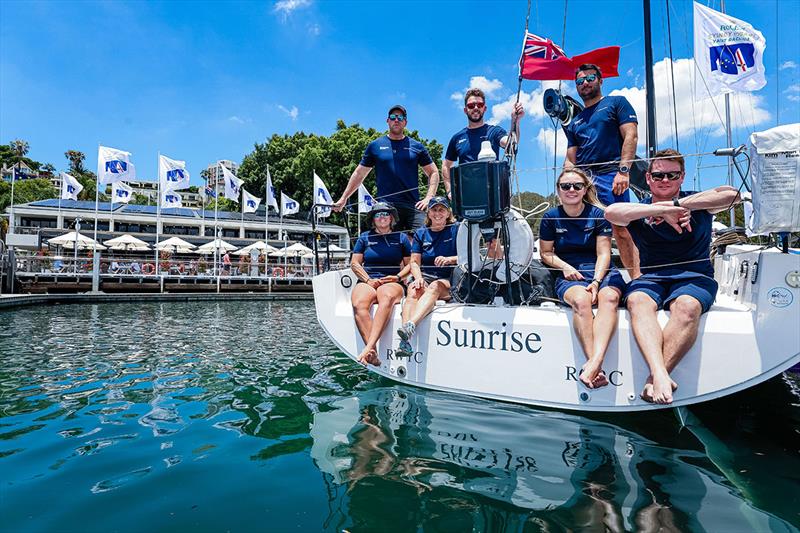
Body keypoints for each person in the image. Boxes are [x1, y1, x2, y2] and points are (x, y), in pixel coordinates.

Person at [605, 148, 741, 404]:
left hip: (695, 276)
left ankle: (653, 380)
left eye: (672, 175)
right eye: (658, 176)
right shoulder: (639, 209)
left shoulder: (697, 203)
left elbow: (732, 195)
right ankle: (660, 375)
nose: (664, 180)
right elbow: (612, 212)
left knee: (688, 307)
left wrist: (678, 205)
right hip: (652, 278)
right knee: (636, 302)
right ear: (648, 179)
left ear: (682, 177)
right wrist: (658, 211)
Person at [539, 169, 627, 388]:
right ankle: (595, 366)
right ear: (558, 190)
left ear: (585, 189)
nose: (571, 190)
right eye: (566, 186)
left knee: (609, 299)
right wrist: (565, 267)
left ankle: (594, 363)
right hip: (569, 272)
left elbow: (604, 253)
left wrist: (597, 282)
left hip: (600, 269)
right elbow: (546, 254)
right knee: (581, 301)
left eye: (577, 186)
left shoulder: (598, 214)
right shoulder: (550, 217)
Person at [563, 64, 640, 278]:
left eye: (589, 78)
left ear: (600, 80)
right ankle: (591, 278)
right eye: (580, 81)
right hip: (583, 180)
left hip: (610, 175)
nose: (585, 83)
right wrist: (564, 183)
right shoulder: (575, 122)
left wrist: (623, 171)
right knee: (583, 230)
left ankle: (637, 278)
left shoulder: (617, 103)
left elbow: (631, 136)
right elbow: (570, 158)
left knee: (620, 229)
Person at [333, 105, 440, 231]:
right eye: (393, 117)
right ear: (387, 121)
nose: (396, 120)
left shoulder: (417, 146)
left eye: (400, 117)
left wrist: (429, 197)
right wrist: (343, 198)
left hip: (414, 206)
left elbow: (433, 171)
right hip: (386, 207)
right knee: (388, 246)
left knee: (422, 240)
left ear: (405, 122)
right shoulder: (375, 146)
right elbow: (359, 174)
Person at [395, 196, 459, 357]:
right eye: (434, 210)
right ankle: (405, 342)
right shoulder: (421, 233)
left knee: (434, 287)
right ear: (429, 213)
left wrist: (449, 259)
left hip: (449, 280)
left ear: (448, 213)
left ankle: (410, 326)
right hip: (426, 276)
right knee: (412, 289)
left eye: (441, 210)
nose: (438, 213)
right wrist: (417, 278)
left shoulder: (457, 229)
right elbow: (415, 262)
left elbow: (469, 256)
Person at [350, 202, 412, 366]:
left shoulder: (401, 238)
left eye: (385, 214)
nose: (381, 217)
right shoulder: (364, 237)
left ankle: (368, 347)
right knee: (358, 303)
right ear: (373, 220)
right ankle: (373, 354)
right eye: (377, 215)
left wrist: (397, 277)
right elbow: (355, 263)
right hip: (368, 279)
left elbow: (410, 265)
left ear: (391, 217)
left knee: (386, 297)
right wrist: (368, 280)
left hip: (391, 279)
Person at [441, 88, 525, 196]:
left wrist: (515, 121)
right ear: (465, 110)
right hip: (467, 196)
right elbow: (446, 165)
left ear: (484, 108)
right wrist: (449, 191)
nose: (475, 108)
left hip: (493, 195)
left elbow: (511, 144)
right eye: (471, 105)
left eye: (479, 105)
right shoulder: (457, 138)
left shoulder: (494, 132)